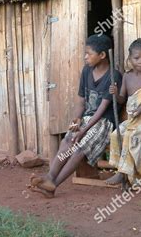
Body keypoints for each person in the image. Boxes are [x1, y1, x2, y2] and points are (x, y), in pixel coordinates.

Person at [29, 34, 122, 198]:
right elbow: (81, 102)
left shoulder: (113, 76)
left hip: (103, 123)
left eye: (89, 53)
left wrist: (84, 130)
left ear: (102, 55)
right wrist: (78, 119)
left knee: (79, 147)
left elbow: (101, 110)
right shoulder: (86, 71)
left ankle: (53, 184)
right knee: (67, 140)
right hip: (87, 119)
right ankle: (50, 178)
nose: (85, 57)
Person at [106, 38, 141, 191]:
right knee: (116, 134)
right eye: (137, 58)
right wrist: (116, 94)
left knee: (132, 136)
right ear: (129, 59)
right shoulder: (127, 77)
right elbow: (122, 99)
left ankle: (122, 173)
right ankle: (123, 172)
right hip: (133, 119)